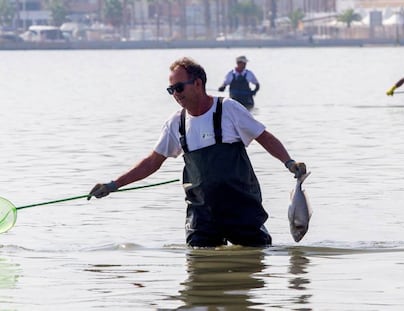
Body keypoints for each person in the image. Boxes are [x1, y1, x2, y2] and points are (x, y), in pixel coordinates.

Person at [88, 57, 306, 248]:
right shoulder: (176, 123)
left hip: (241, 208)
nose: (175, 94)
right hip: (202, 216)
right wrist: (112, 185)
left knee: (254, 263)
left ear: (198, 83)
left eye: (179, 87)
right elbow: (152, 162)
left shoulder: (228, 109)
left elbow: (264, 136)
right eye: (171, 89)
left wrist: (289, 162)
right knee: (197, 276)